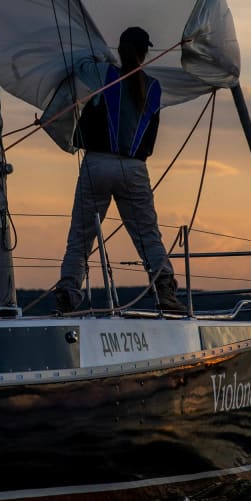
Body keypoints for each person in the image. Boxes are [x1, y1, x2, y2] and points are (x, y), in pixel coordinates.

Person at [55, 27, 186, 314]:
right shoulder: (154, 87)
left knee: (81, 234)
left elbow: (80, 67)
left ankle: (68, 291)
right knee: (148, 235)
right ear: (145, 52)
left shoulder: (104, 74)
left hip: (97, 163)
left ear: (120, 48)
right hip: (134, 168)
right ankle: (164, 290)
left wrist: (101, 56)